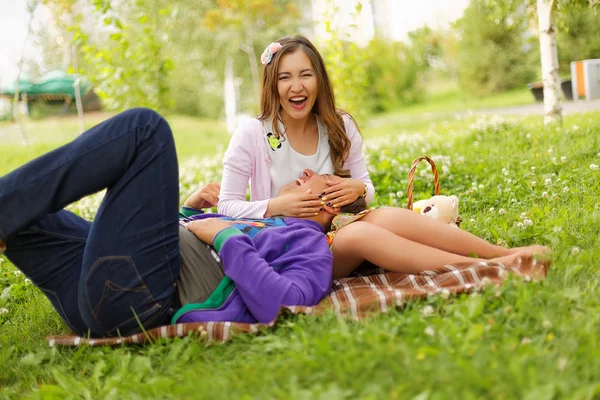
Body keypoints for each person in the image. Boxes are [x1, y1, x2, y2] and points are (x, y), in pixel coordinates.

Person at [0, 108, 364, 338]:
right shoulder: (264, 222)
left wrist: (226, 238)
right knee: (25, 216)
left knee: (146, 129)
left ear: (331, 206)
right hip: (88, 295)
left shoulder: (311, 246)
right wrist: (187, 213)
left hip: (137, 299)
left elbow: (286, 306)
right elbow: (182, 241)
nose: (305, 172)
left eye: (322, 178)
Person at [215, 35, 374, 219]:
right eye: (284, 78)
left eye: (306, 75)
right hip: (280, 241)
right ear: (272, 85)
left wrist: (359, 188)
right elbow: (226, 205)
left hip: (339, 237)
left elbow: (367, 188)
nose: (297, 87)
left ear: (319, 79)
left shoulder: (341, 126)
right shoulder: (251, 134)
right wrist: (276, 206)